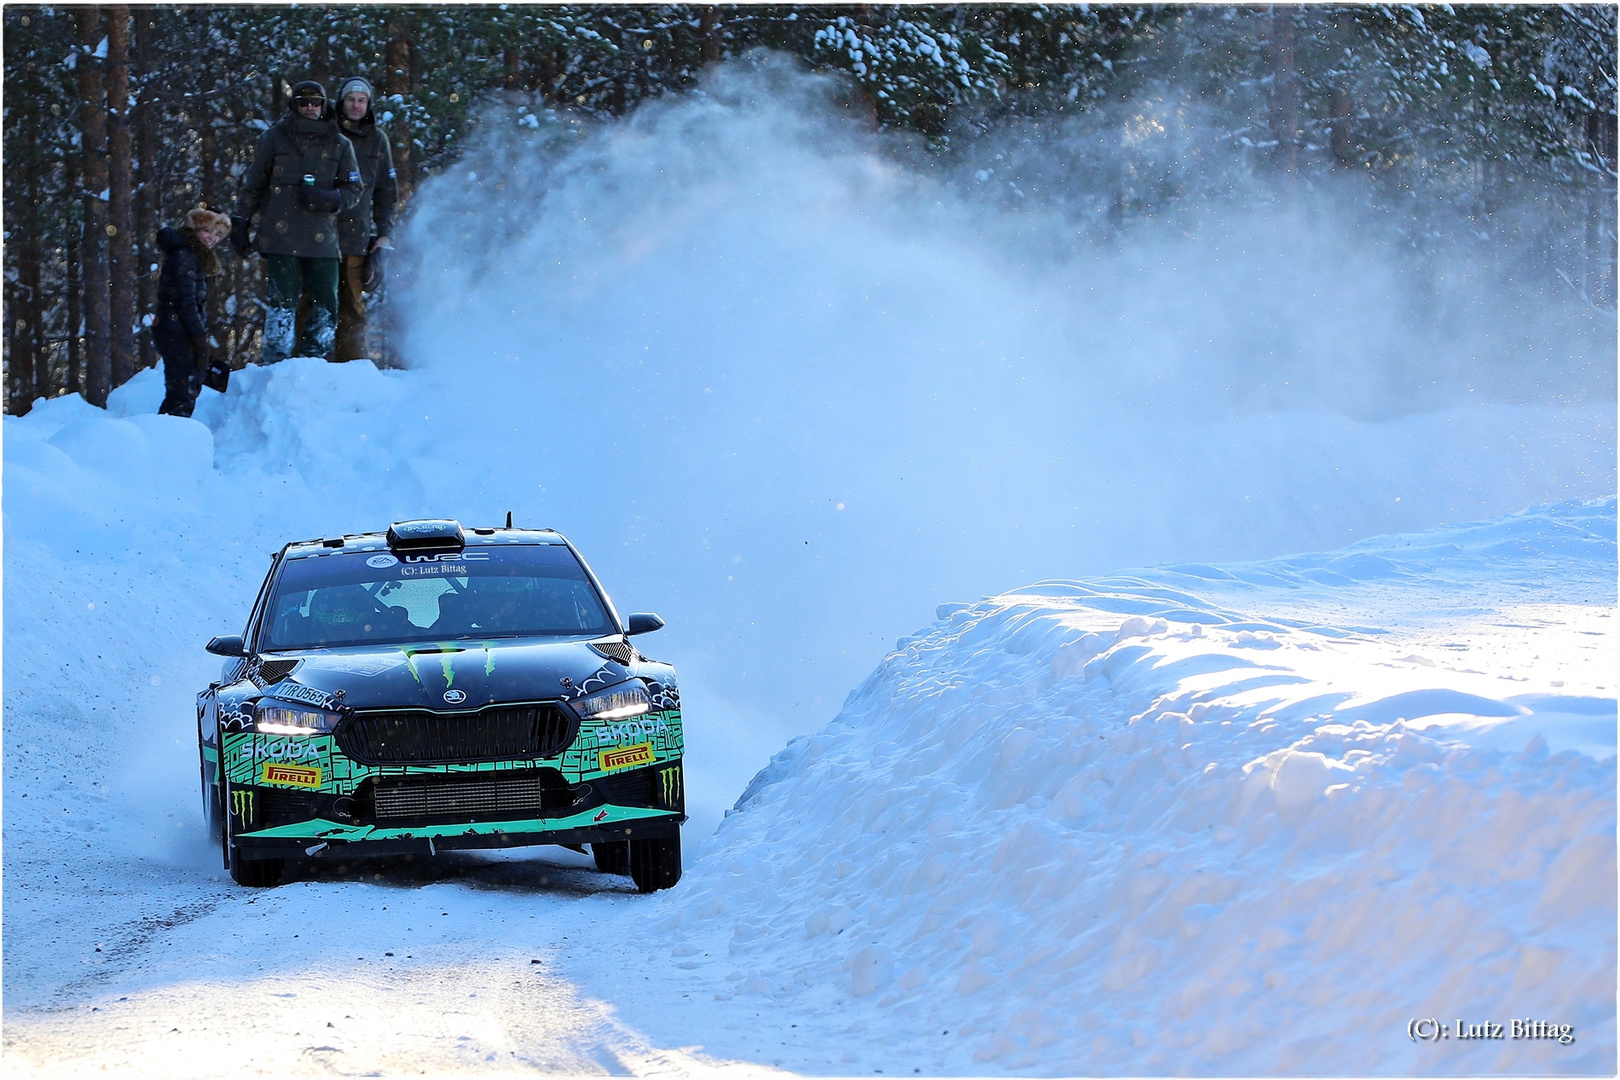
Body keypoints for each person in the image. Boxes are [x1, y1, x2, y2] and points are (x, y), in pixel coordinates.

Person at [231, 80, 361, 364]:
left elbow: (354, 189)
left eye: (316, 102)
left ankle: (314, 363)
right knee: (282, 305)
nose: (310, 108)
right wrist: (240, 221)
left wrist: (327, 198)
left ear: (324, 105)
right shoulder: (275, 138)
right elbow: (254, 185)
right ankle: (275, 365)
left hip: (322, 238)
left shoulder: (340, 143)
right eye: (304, 102)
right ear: (294, 105)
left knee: (327, 303)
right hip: (280, 235)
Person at [333, 76, 398, 362]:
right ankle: (307, 369)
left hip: (356, 235)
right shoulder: (326, 133)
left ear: (369, 104)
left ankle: (352, 368)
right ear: (341, 102)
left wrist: (384, 232)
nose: (356, 105)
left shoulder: (378, 140)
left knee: (352, 306)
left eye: (361, 100)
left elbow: (386, 191)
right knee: (311, 302)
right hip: (317, 235)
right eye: (350, 100)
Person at [153, 208, 230, 417]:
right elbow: (185, 302)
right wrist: (199, 337)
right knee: (182, 392)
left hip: (176, 329)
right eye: (208, 231)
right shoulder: (184, 256)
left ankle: (166, 435)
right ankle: (172, 439)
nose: (212, 238)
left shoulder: (191, 256)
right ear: (195, 229)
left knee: (182, 391)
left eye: (218, 234)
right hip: (175, 330)